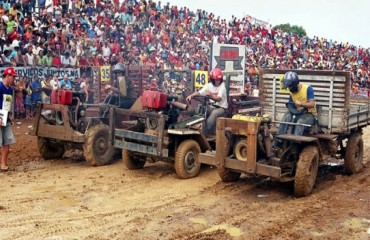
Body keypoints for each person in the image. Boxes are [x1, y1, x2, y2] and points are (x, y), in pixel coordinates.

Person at [186, 67, 228, 136]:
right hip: (212, 106)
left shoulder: (222, 87)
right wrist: (191, 96)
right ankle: (192, 126)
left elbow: (219, 99)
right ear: (212, 80)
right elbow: (199, 92)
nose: (218, 82)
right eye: (216, 80)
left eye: (219, 80)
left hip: (221, 108)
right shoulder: (209, 85)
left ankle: (205, 132)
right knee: (200, 108)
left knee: (214, 113)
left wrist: (210, 95)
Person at [277, 71, 317, 137]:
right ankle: (278, 139)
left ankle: (295, 143)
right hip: (298, 113)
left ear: (295, 84)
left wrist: (301, 104)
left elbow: (312, 104)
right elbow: (291, 105)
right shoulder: (292, 92)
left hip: (309, 115)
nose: (289, 89)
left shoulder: (308, 89)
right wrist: (290, 107)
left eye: (290, 86)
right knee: (286, 117)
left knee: (300, 122)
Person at [0, 67, 17, 171]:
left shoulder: (10, 89)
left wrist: (8, 116)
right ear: (8, 76)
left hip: (5, 116)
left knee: (7, 142)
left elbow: (7, 104)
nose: (14, 79)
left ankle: (3, 164)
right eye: (13, 77)